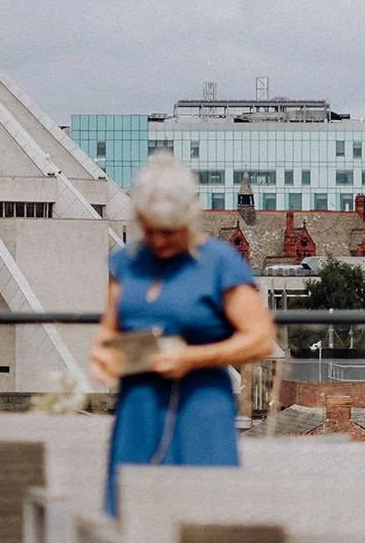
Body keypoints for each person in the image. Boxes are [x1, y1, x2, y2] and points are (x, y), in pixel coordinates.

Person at [90, 155, 276, 515]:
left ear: (189, 220)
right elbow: (109, 330)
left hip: (199, 407)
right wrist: (104, 354)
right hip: (137, 407)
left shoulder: (220, 262)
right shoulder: (124, 264)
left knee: (202, 518)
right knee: (130, 514)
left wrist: (191, 357)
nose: (160, 240)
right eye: (151, 229)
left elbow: (260, 339)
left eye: (170, 231)